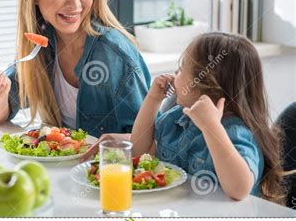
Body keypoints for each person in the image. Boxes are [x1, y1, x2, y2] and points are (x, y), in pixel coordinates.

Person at [83, 32, 287, 202]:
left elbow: (239, 189)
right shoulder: (177, 117)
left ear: (206, 83)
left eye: (181, 69)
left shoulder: (235, 132)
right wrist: (152, 100)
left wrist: (211, 127)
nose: (175, 74)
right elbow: (139, 149)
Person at [0, 0, 151, 137]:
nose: (75, 3)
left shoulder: (114, 53)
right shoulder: (41, 44)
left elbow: (147, 140)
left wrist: (104, 144)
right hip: (63, 167)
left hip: (106, 166)